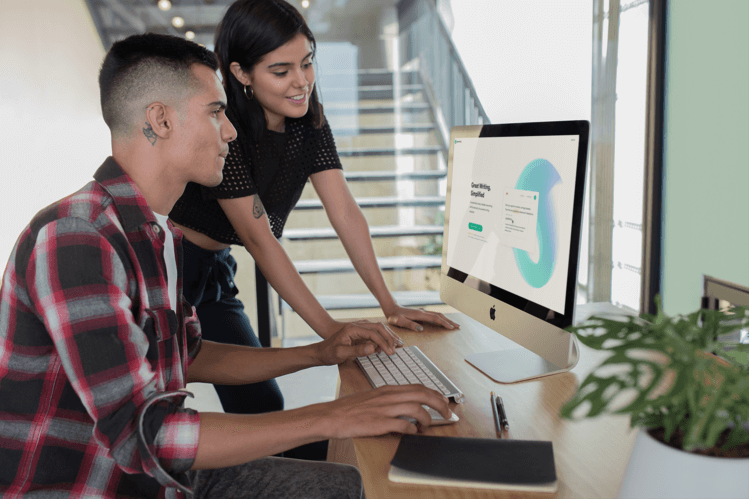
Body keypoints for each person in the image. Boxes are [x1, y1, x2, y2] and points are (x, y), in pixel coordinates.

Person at [0, 33, 451, 498]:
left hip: (161, 479)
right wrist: (334, 415)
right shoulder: (76, 238)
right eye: (216, 112)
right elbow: (144, 433)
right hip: (95, 487)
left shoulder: (159, 235)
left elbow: (189, 356)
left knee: (358, 485)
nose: (231, 130)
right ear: (160, 120)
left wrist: (318, 353)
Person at [168, 0, 460, 442]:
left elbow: (344, 210)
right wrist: (332, 334)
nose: (301, 81)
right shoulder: (225, 130)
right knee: (158, 399)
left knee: (261, 403)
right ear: (242, 74)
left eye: (307, 63)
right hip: (170, 269)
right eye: (281, 71)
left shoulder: (308, 122)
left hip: (215, 273)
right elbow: (260, 240)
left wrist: (389, 303)